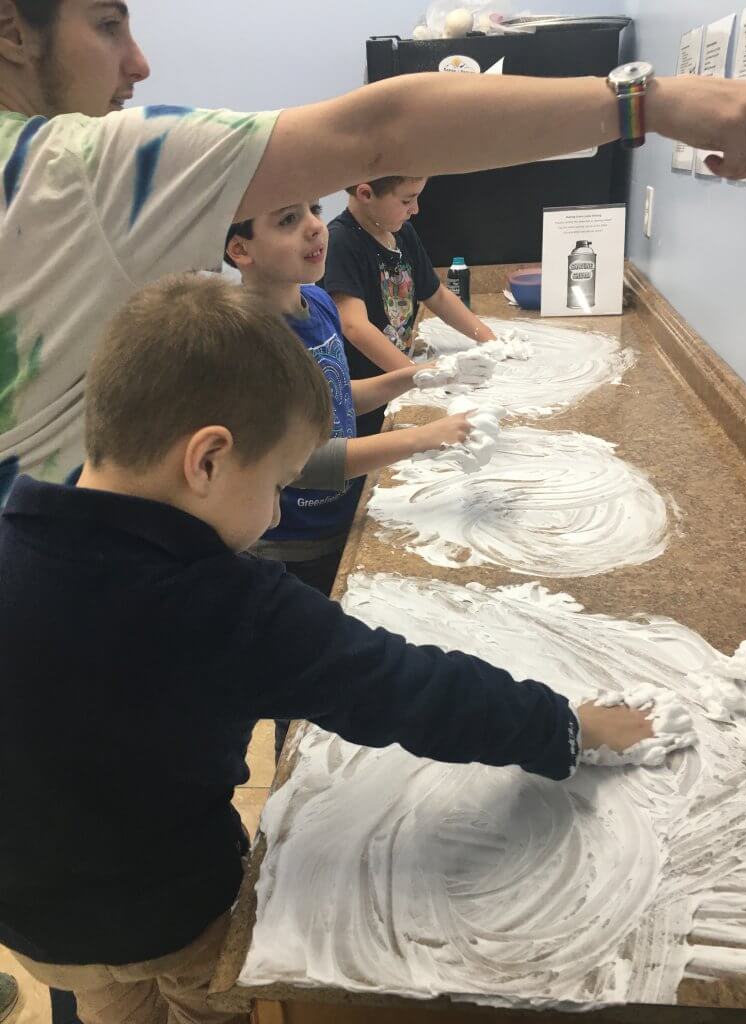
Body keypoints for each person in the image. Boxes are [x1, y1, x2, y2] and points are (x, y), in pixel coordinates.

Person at [0, 274, 656, 1024]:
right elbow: (406, 687)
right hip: (176, 915)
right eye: (278, 482)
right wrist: (564, 726)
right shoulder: (232, 606)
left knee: (103, 1002)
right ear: (207, 461)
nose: (279, 506)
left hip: (32, 921)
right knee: (194, 1004)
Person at [2, 0, 746, 501]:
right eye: (107, 24)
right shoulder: (62, 170)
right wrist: (650, 101)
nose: (138, 63)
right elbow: (382, 130)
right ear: (11, 29)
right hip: (80, 616)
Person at [225, 199, 477, 759]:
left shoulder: (316, 301)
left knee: (341, 667)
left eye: (313, 210)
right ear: (239, 250)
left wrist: (417, 379)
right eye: (286, 219)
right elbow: (300, 461)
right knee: (305, 685)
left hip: (340, 519)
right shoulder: (246, 340)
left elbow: (340, 398)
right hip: (288, 544)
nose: (317, 226)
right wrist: (420, 438)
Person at [325, 176, 496, 436]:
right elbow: (354, 326)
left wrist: (488, 339)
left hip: (400, 379)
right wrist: (416, 375)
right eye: (407, 200)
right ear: (365, 194)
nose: (415, 209)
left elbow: (437, 295)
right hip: (366, 397)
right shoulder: (340, 243)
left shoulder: (400, 231)